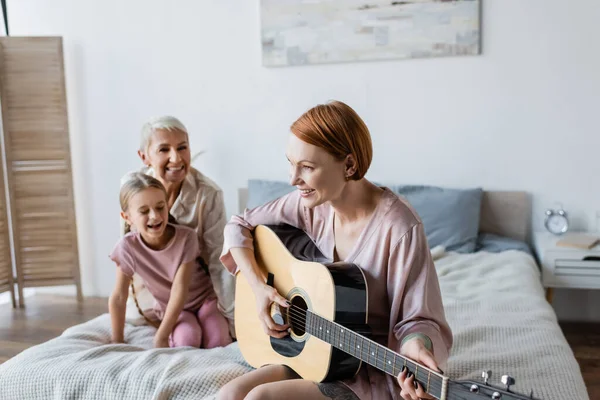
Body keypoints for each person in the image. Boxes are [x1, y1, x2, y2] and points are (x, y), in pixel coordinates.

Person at [216, 101, 452, 400]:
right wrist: (259, 286)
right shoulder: (310, 204)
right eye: (291, 163)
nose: (293, 179)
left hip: (366, 369)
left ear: (349, 166)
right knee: (229, 394)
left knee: (259, 399)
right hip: (316, 351)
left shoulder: (400, 228)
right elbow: (238, 225)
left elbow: (419, 318)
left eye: (307, 167)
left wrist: (416, 346)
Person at [120, 116, 235, 336]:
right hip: (154, 296)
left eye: (182, 147)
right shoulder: (131, 187)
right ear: (144, 157)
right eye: (164, 149)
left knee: (218, 337)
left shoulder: (208, 194)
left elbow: (218, 261)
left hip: (198, 292)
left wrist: (232, 317)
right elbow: (127, 246)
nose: (176, 158)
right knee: (186, 337)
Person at [109, 173, 232, 348]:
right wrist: (117, 340)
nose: (154, 216)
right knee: (187, 341)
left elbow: (179, 289)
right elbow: (119, 297)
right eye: (144, 211)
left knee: (217, 340)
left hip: (205, 301)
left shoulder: (187, 238)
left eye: (160, 207)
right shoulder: (127, 248)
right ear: (127, 217)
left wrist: (161, 336)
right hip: (173, 309)